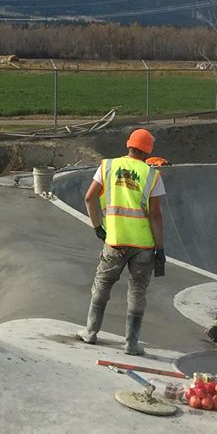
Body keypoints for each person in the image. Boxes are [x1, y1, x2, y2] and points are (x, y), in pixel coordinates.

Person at [78, 128, 166, 355]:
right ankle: (131, 344)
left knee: (103, 285)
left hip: (115, 240)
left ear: (128, 145)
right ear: (148, 151)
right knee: (137, 292)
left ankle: (90, 332)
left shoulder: (107, 166)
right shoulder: (152, 175)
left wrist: (97, 226)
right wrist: (160, 248)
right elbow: (156, 215)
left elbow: (89, 198)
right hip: (144, 245)